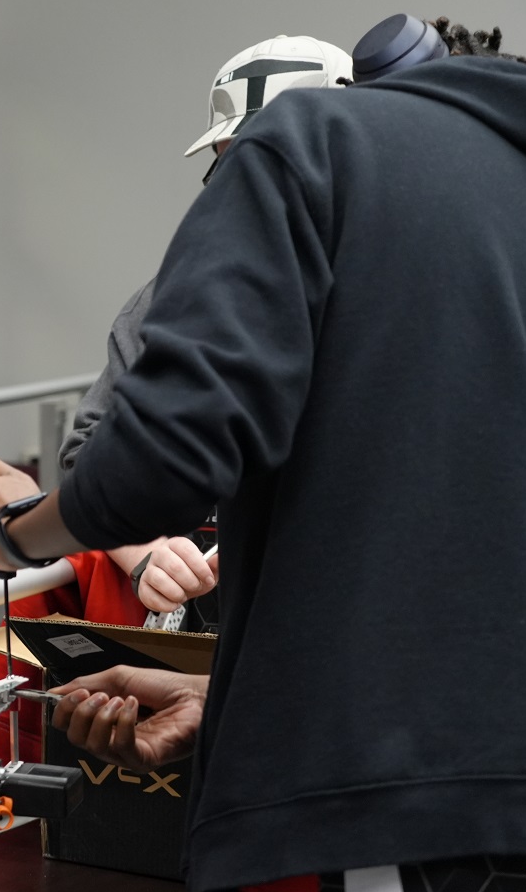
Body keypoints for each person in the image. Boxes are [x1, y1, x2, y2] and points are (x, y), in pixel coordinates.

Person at [0, 18, 526, 892]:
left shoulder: (317, 149)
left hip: (356, 872)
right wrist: (232, 694)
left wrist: (11, 531)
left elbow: (150, 460)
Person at [59, 35, 352, 616]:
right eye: (232, 164)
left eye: (275, 162)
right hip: (211, 634)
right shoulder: (168, 300)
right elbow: (86, 458)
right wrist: (141, 549)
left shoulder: (403, 295)